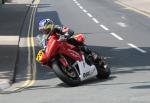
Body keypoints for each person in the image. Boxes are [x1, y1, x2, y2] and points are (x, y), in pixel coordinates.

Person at [38, 18, 102, 65]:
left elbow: (69, 30)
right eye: (43, 30)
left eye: (46, 29)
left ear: (50, 26)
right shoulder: (45, 38)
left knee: (77, 40)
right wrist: (44, 50)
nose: (45, 31)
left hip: (66, 42)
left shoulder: (57, 28)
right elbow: (45, 46)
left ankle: (92, 54)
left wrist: (65, 36)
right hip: (58, 48)